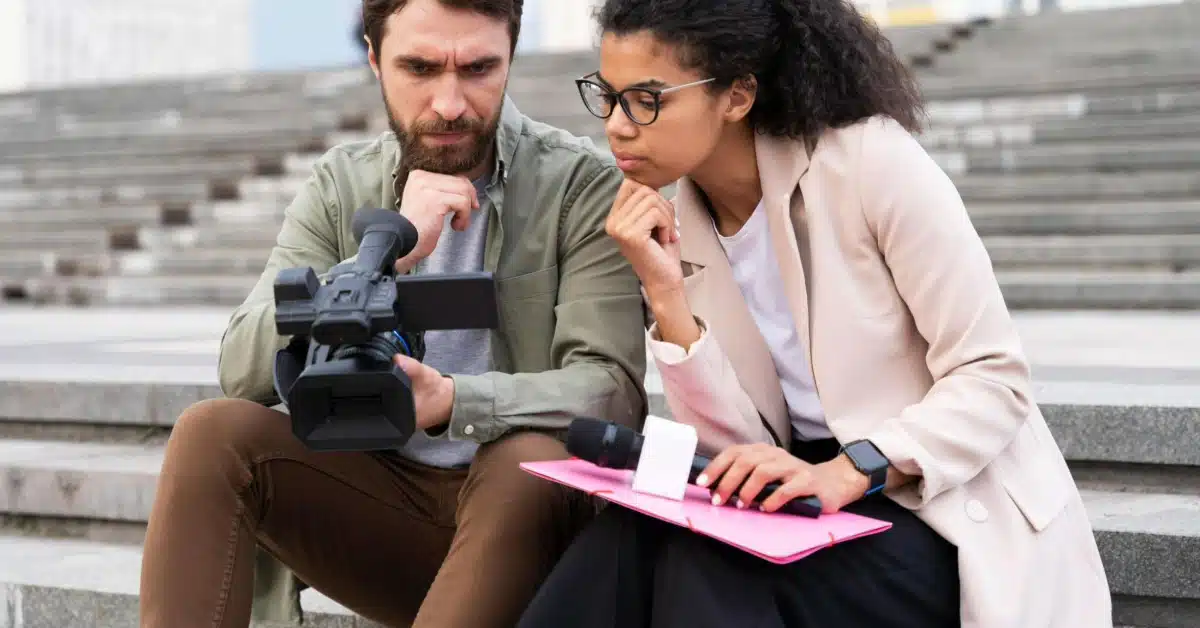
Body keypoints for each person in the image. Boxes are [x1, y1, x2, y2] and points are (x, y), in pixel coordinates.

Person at [516, 1, 1112, 627]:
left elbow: (994, 377)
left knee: (713, 562)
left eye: (646, 98)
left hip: (937, 510)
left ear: (737, 96)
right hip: (799, 498)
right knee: (626, 539)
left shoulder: (870, 164)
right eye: (606, 96)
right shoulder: (677, 223)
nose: (617, 125)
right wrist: (666, 298)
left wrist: (853, 468)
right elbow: (730, 447)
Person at [138, 0, 649, 626]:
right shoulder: (340, 185)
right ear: (375, 59)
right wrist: (385, 254)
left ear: (512, 54)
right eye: (420, 68)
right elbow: (240, 366)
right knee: (211, 433)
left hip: (536, 535)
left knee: (523, 459)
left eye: (480, 68)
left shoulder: (581, 185)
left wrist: (454, 399)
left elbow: (611, 391)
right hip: (383, 513)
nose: (450, 103)